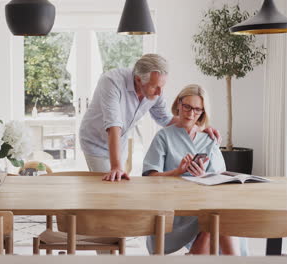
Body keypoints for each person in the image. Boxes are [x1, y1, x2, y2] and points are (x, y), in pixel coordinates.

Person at [79, 54, 220, 181]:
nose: (159, 92)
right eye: (155, 87)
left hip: (119, 140)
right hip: (96, 140)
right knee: (110, 183)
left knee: (120, 183)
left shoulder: (155, 89)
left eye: (162, 87)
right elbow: (113, 124)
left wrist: (201, 126)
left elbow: (166, 118)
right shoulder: (111, 82)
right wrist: (116, 166)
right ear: (139, 80)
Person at [142, 84, 238, 255]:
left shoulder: (208, 139)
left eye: (197, 110)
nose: (190, 113)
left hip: (203, 205)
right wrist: (177, 172)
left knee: (219, 217)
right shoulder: (163, 137)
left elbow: (220, 178)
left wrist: (204, 175)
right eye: (187, 106)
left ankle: (196, 254)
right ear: (178, 104)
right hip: (174, 209)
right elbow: (149, 178)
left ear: (202, 112)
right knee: (215, 220)